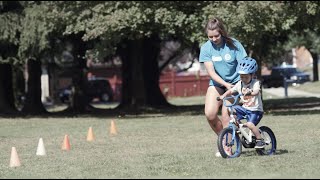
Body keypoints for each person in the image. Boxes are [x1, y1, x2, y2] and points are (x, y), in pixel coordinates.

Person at [198, 17, 248, 157]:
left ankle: (226, 146)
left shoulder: (234, 45)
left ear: (222, 32)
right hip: (218, 84)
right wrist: (226, 85)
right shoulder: (206, 48)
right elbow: (211, 72)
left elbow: (244, 65)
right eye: (210, 37)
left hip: (236, 84)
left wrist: (241, 85)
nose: (213, 39)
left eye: (216, 36)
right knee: (210, 114)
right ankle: (225, 138)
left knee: (226, 115)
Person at [218, 57, 265, 149]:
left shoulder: (255, 83)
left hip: (255, 111)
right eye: (241, 76)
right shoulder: (239, 83)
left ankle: (260, 140)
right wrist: (223, 96)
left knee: (250, 124)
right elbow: (231, 91)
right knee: (232, 109)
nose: (243, 79)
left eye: (246, 76)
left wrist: (250, 92)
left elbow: (256, 92)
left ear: (252, 75)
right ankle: (237, 125)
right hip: (245, 108)